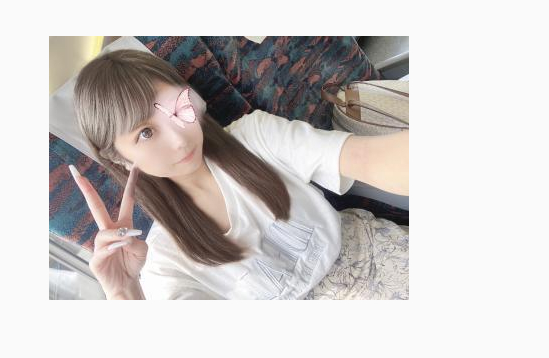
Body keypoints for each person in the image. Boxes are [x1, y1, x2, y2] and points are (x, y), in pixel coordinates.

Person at [68, 49, 409, 300]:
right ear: (119, 157)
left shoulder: (255, 137)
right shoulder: (167, 259)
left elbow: (369, 159)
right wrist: (124, 293)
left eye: (175, 109)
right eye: (145, 133)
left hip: (379, 259)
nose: (178, 138)